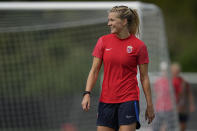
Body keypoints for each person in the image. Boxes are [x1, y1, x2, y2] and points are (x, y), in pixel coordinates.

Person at [81, 5, 155, 131]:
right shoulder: (103, 41)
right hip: (106, 100)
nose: (109, 23)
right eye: (108, 20)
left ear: (124, 21)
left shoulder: (139, 46)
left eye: (112, 20)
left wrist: (149, 104)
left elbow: (144, 77)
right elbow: (94, 71)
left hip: (129, 100)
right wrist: (87, 93)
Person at [171, 63, 195, 131]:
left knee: (183, 124)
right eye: (174, 70)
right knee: (169, 124)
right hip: (172, 107)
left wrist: (191, 104)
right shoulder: (169, 81)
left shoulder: (183, 81)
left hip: (181, 107)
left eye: (177, 70)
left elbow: (189, 93)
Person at [153, 62, 174, 131]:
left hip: (168, 108)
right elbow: (156, 95)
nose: (164, 72)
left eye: (165, 70)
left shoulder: (171, 82)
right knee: (156, 127)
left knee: (169, 127)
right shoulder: (158, 81)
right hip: (159, 108)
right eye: (163, 70)